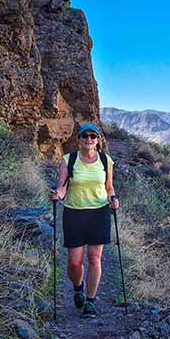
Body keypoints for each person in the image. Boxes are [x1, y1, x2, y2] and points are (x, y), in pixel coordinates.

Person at [49, 122, 119, 318]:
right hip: (74, 213)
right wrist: (58, 195)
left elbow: (109, 187)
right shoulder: (68, 160)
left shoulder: (106, 160)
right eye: (85, 136)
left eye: (93, 136)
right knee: (74, 262)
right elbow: (62, 186)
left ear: (98, 140)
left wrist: (113, 199)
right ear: (78, 139)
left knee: (94, 258)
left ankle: (90, 301)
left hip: (99, 212)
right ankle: (77, 287)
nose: (89, 139)